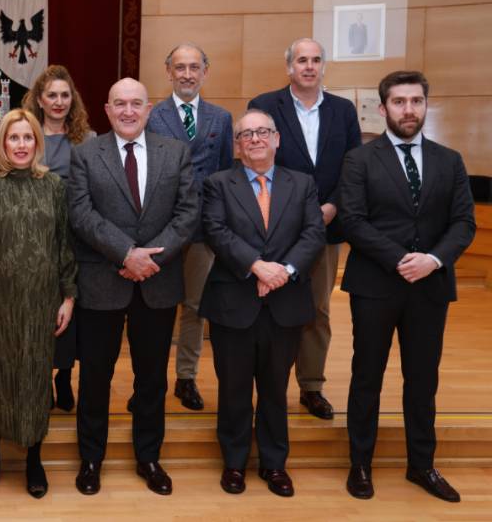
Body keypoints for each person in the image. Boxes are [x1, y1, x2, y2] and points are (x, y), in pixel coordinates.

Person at [341, 71, 475, 503]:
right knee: (367, 377)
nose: (409, 109)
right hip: (375, 285)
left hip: (430, 287)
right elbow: (353, 221)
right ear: (383, 108)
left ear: (425, 105)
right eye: (399, 102)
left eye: (416, 101)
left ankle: (422, 465)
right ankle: (360, 464)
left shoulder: (449, 160)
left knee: (422, 380)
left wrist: (432, 260)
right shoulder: (359, 160)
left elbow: (463, 222)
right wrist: (401, 259)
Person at [69, 78, 199, 496]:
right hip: (101, 282)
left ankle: (149, 457)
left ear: (148, 109)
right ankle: (91, 458)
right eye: (119, 104)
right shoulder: (85, 154)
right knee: (95, 376)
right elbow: (81, 214)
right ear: (107, 110)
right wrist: (126, 254)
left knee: (152, 379)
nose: (128, 111)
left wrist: (150, 259)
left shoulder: (175, 152)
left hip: (157, 283)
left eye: (136, 104)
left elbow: (188, 213)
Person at [199, 109, 325, 498]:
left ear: (277, 139)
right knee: (234, 389)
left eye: (262, 132)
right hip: (233, 303)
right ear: (236, 145)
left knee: (275, 389)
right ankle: (235, 463)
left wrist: (284, 271)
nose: (255, 139)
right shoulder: (218, 183)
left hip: (285, 303)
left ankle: (274, 464)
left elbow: (313, 233)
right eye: (246, 134)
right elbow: (215, 230)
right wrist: (256, 266)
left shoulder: (302, 184)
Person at [0, 108, 77, 499]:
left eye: (28, 137)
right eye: (14, 138)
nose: (21, 145)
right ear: (2, 143)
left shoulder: (53, 186)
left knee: (36, 378)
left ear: (37, 143)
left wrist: (68, 296)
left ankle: (33, 459)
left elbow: (63, 245)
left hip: (42, 300)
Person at [247, 38, 361, 420]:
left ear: (323, 66)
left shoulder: (343, 110)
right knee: (272, 308)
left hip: (326, 226)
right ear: (289, 67)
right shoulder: (265, 105)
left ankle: (311, 386)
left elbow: (354, 166)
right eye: (301, 60)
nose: (309, 66)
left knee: (318, 310)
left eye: (315, 60)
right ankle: (269, 386)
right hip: (275, 226)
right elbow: (255, 161)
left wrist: (333, 206)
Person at [147, 42, 233, 411]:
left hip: (202, 232)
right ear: (168, 72)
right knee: (157, 308)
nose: (186, 74)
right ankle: (149, 380)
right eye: (179, 67)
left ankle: (186, 377)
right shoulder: (153, 116)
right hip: (162, 229)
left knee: (196, 306)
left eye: (193, 67)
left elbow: (226, 175)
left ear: (204, 72)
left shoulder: (221, 118)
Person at [21, 64, 94, 411]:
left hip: (76, 238)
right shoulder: (25, 135)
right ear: (39, 99)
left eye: (65, 95)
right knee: (39, 311)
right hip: (34, 240)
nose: (59, 101)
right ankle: (41, 378)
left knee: (70, 311)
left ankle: (64, 377)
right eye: (52, 95)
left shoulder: (87, 139)